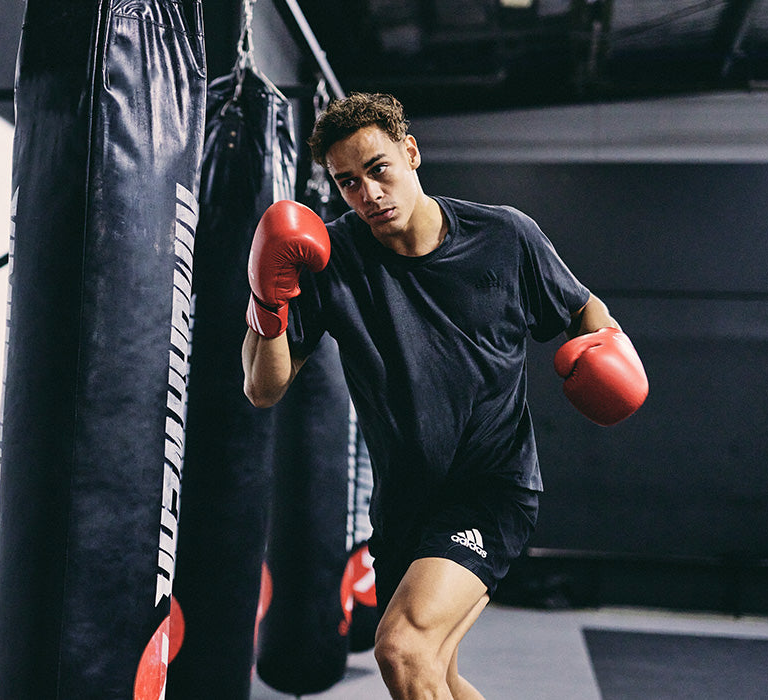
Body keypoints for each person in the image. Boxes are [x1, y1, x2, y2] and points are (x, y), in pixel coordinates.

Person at [241, 93, 647, 699]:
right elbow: (262, 387)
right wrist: (267, 303)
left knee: (402, 649)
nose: (368, 195)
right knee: (437, 673)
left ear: (411, 153)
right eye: (347, 183)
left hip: (488, 489)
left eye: (378, 169)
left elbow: (587, 311)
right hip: (403, 501)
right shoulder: (332, 256)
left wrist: (606, 348)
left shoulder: (505, 237)